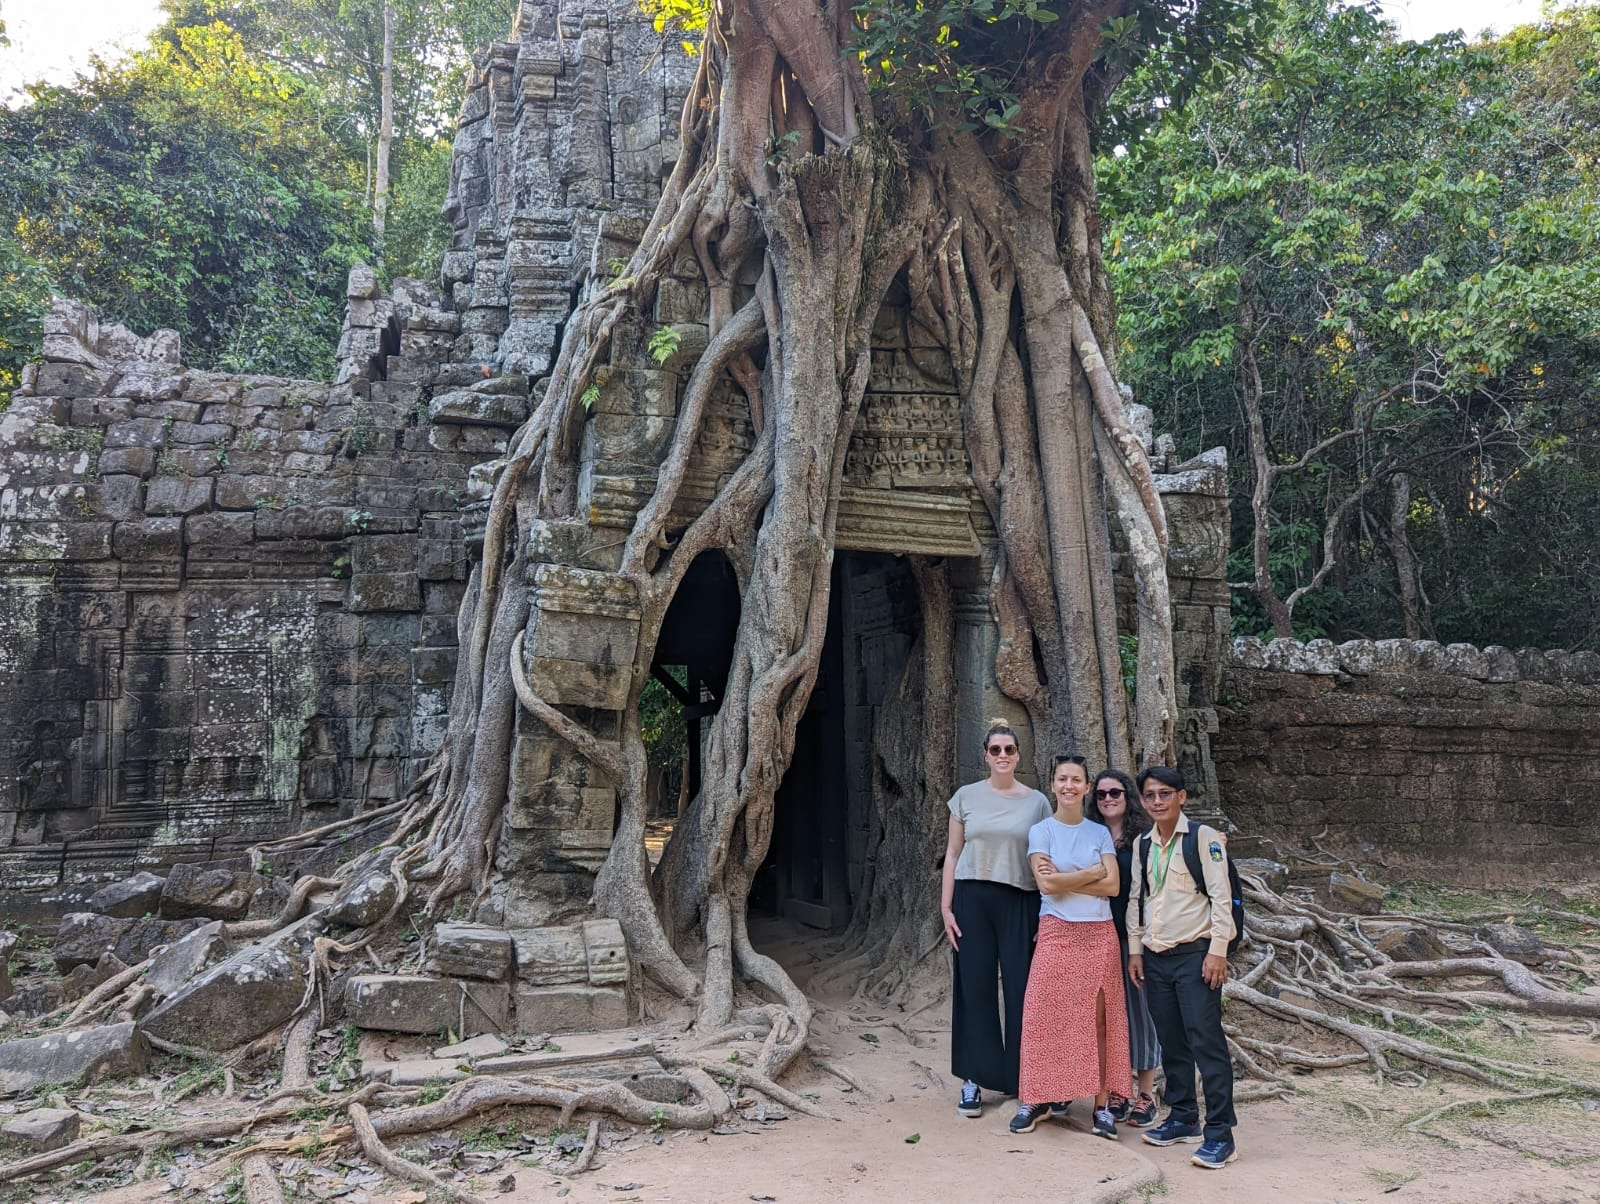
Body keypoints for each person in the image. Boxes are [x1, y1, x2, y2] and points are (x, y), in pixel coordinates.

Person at [1008, 755, 1131, 1140]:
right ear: (1053, 784)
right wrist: (1092, 872)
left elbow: (1111, 888)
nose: (1069, 786)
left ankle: (1102, 1105)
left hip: (1098, 933)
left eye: (1076, 780)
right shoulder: (1042, 831)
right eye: (1063, 779)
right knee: (1041, 1011)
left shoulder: (1098, 833)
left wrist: (1068, 878)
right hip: (1056, 930)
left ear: (1087, 786)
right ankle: (1037, 1097)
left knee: (1100, 1019)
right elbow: (1046, 887)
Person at [1126, 765, 1239, 1170]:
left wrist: (1218, 950)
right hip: (1156, 958)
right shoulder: (1143, 845)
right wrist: (1136, 950)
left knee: (1205, 1042)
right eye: (1150, 795)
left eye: (1165, 794)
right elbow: (1137, 898)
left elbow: (1221, 897)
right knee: (1171, 1041)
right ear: (1143, 801)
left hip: (1196, 956)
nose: (1158, 801)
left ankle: (1221, 1134)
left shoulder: (1204, 839)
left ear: (1181, 796)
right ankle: (1183, 1116)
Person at [941, 720, 1052, 1119]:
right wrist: (946, 908)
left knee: (1023, 989)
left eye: (1009, 749)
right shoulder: (965, 797)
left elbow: (1044, 859)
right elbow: (952, 855)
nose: (1002, 755)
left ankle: (1025, 1079)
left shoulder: (1037, 802)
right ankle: (973, 1078)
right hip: (972, 897)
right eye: (995, 750)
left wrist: (1047, 909)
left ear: (1018, 755)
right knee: (975, 986)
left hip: (1021, 900)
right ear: (985, 755)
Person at [1085, 767, 1161, 1127]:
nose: (1108, 800)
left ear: (1127, 796)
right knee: (1110, 1017)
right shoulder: (1089, 836)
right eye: (1100, 794)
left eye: (1115, 793)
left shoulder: (1144, 838)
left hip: (1136, 938)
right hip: (1098, 935)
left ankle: (1146, 1091)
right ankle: (1119, 1088)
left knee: (1141, 1013)